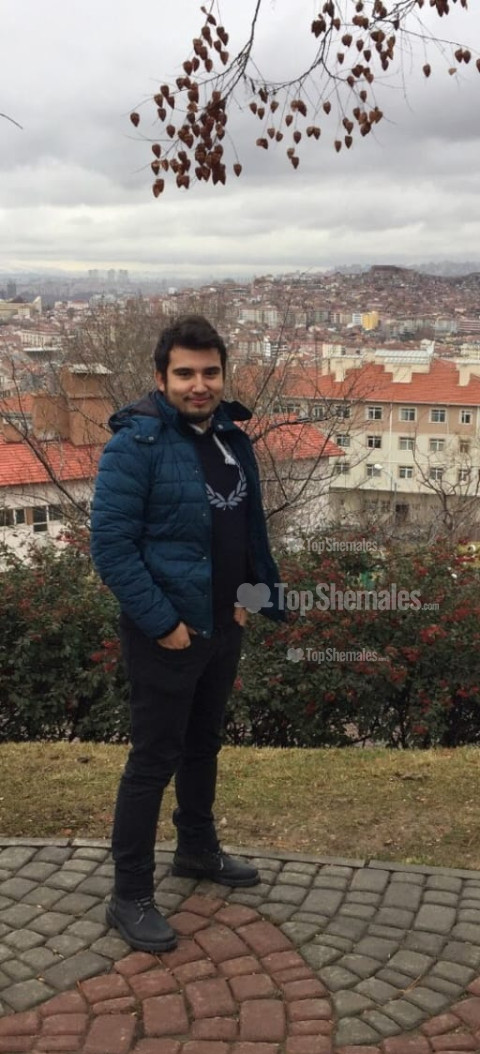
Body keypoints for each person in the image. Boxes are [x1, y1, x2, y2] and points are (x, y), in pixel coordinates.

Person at [91, 315, 283, 953]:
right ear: (161, 378)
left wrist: (248, 599)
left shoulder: (231, 437)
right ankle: (129, 895)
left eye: (210, 372)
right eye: (185, 373)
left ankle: (197, 849)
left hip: (223, 625)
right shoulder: (135, 446)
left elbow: (248, 530)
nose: (199, 385)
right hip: (166, 634)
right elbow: (112, 549)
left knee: (203, 746)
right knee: (153, 761)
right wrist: (164, 625)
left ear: (223, 375)